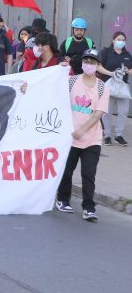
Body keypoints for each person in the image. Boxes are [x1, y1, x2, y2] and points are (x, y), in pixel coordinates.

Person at [55, 49, 108, 222]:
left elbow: (98, 113)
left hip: (92, 138)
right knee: (67, 171)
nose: (89, 64)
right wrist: (59, 68)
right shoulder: (71, 81)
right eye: (86, 61)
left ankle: (89, 207)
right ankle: (62, 199)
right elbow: (51, 88)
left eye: (93, 62)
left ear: (98, 65)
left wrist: (82, 131)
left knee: (88, 173)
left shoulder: (102, 87)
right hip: (69, 137)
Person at [96, 31, 132, 146]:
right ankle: (107, 135)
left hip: (123, 87)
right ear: (113, 40)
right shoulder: (106, 52)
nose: (121, 42)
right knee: (107, 112)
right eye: (118, 39)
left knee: (123, 111)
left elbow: (131, 69)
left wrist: (128, 71)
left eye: (123, 40)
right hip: (108, 86)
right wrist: (111, 73)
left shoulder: (127, 55)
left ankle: (119, 135)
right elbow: (98, 66)